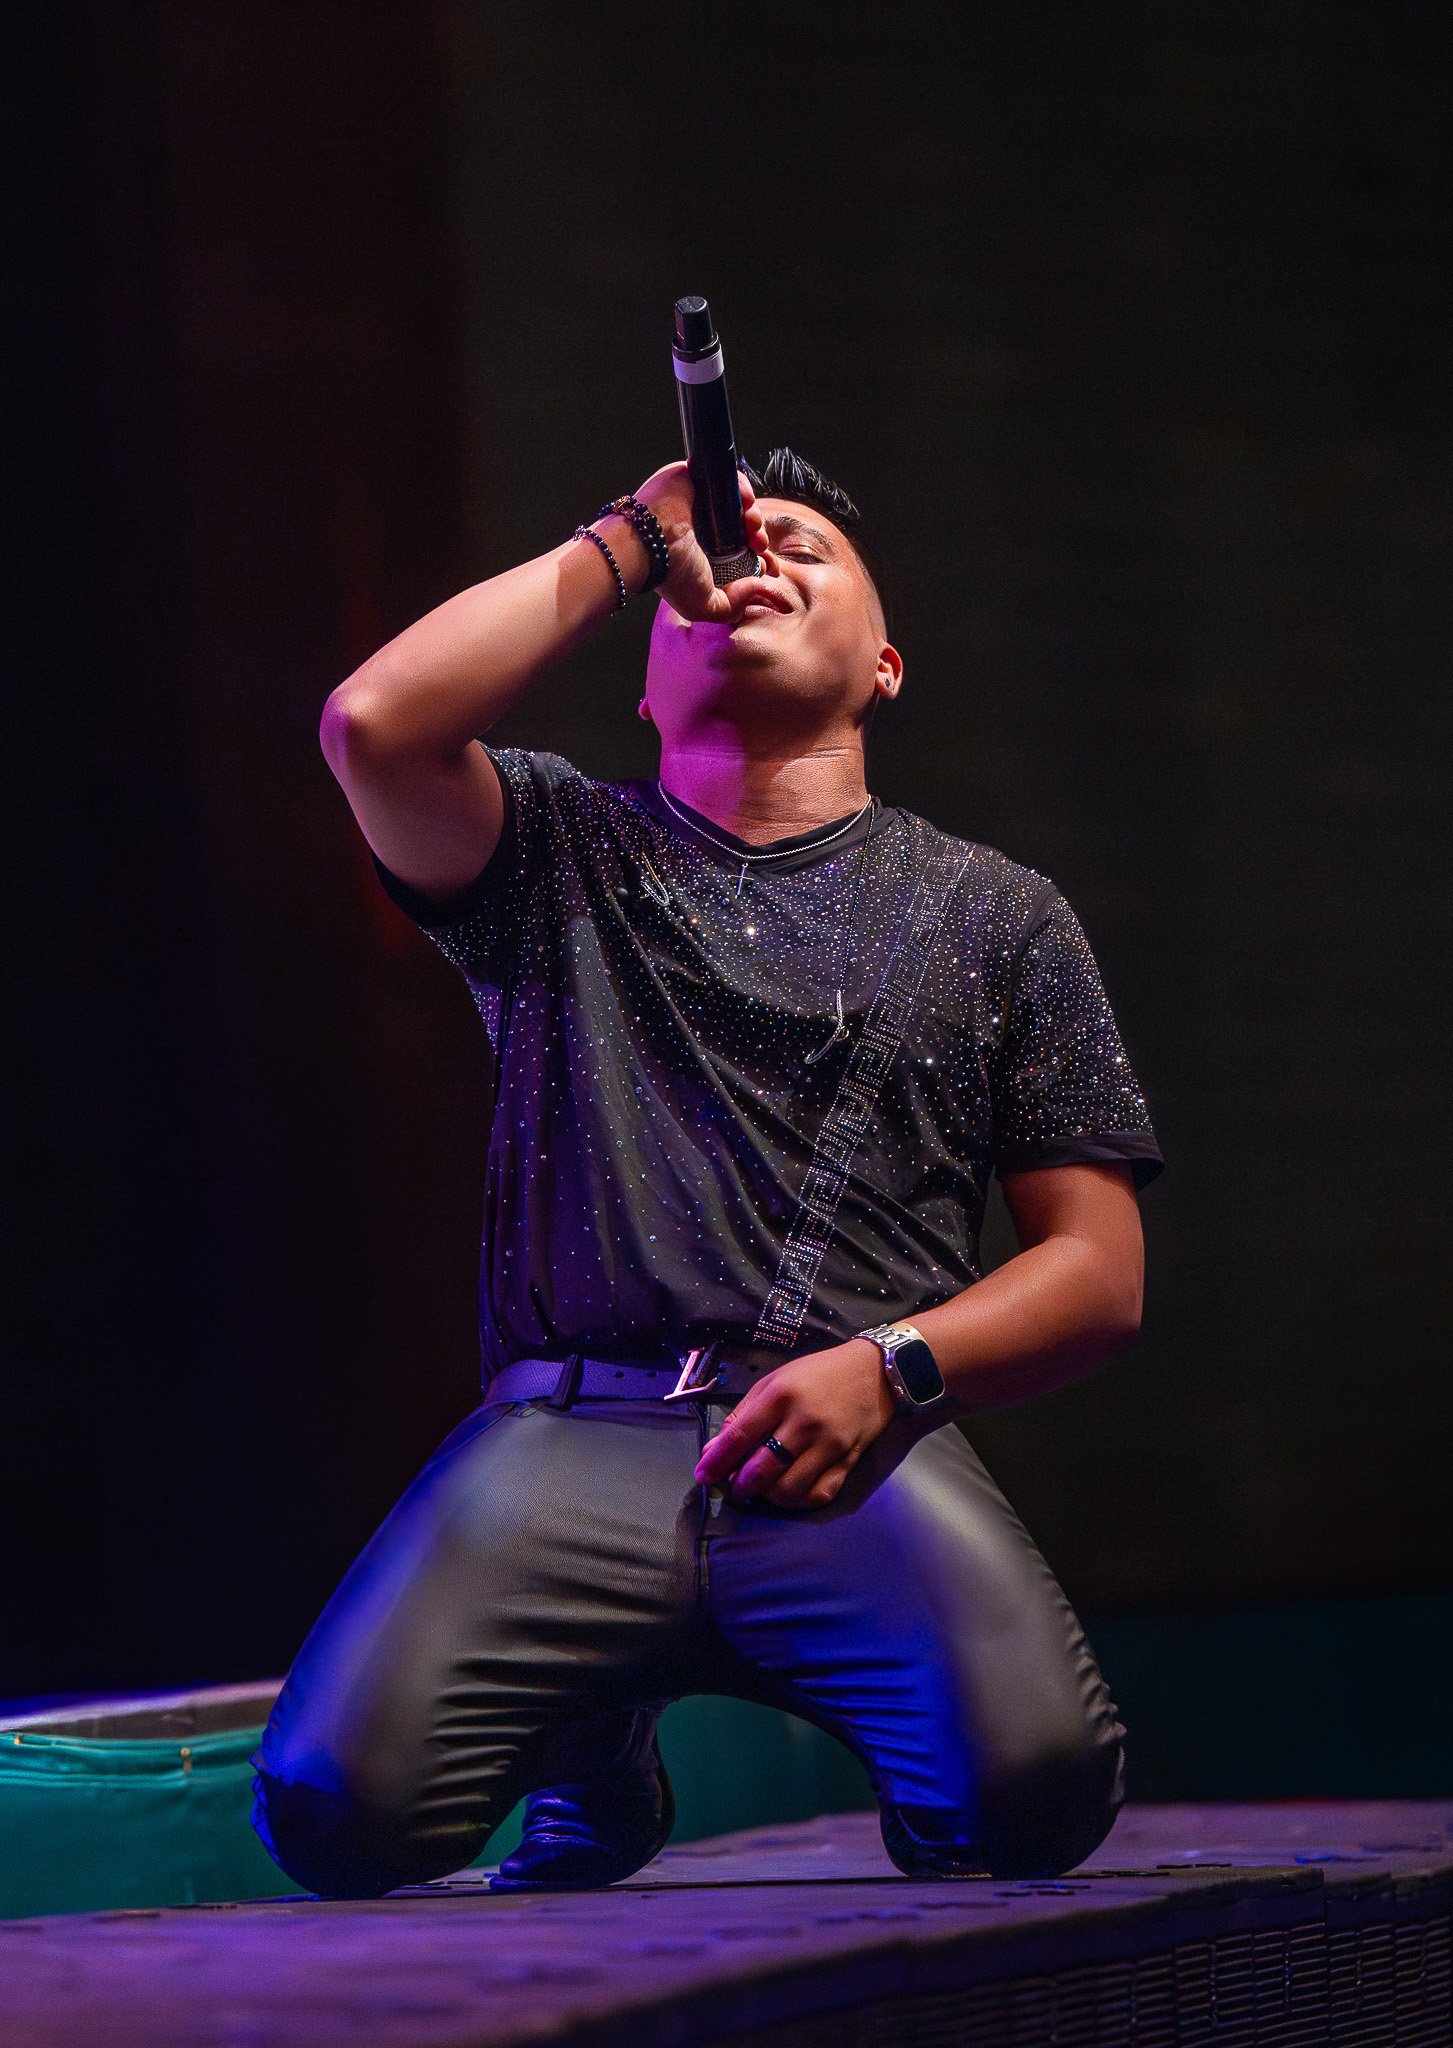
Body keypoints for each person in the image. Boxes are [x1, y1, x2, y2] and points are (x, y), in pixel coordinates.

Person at [249, 447, 1165, 1898]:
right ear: (647, 681)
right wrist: (632, 538)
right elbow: (374, 725)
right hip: (572, 1435)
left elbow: (1098, 1273)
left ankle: (848, 1743)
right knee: (332, 1815)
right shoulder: (559, 853)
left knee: (1031, 1803)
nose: (760, 560)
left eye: (806, 548)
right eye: (729, 550)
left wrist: (895, 1370)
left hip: (848, 1442)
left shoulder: (1001, 914)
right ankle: (595, 1745)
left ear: (884, 667)